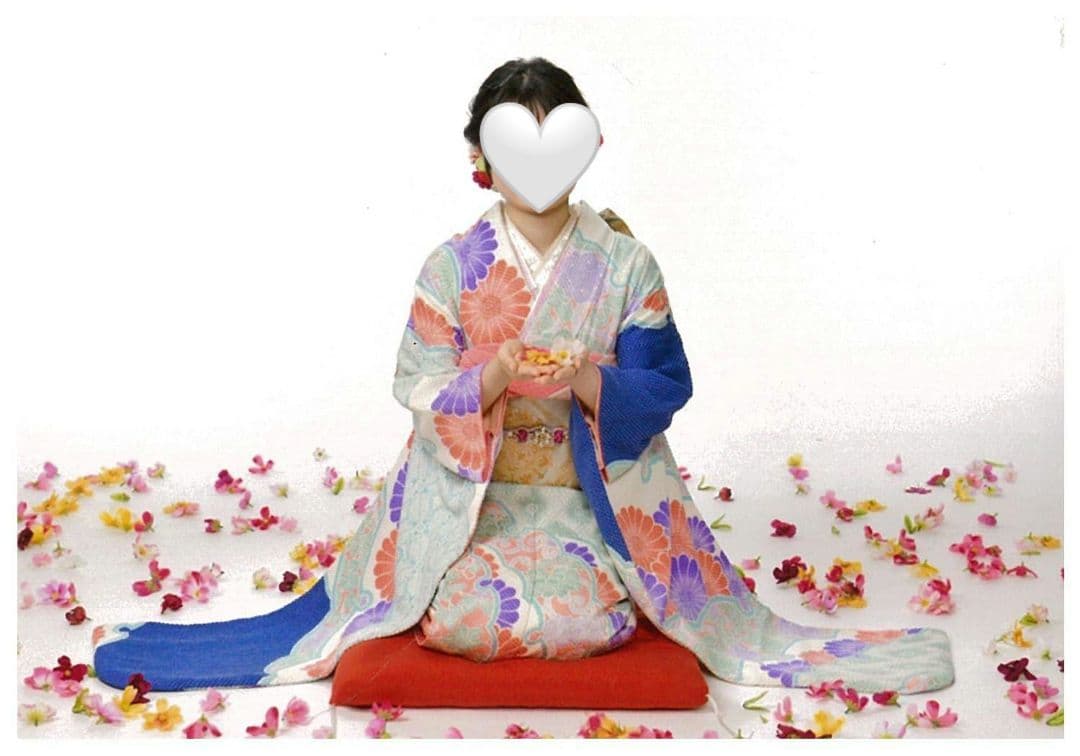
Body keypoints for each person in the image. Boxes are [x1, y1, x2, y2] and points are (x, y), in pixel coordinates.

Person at [93, 57, 955, 694]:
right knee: (469, 616)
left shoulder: (625, 262)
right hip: (473, 507)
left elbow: (665, 384)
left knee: (575, 618)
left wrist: (589, 383)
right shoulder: (452, 265)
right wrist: (493, 374)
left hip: (591, 503)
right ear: (481, 153)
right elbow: (418, 381)